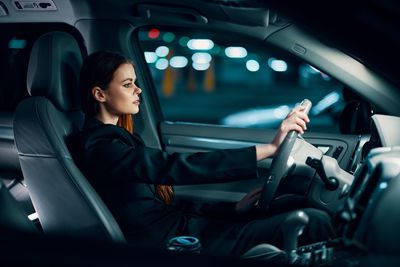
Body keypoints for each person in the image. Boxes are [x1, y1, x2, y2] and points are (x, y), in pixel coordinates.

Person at [68, 50, 335, 257]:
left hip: (180, 228)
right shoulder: (100, 147)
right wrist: (269, 149)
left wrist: (233, 208)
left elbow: (165, 205)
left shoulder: (120, 138)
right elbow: (173, 166)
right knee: (313, 222)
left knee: (296, 205)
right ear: (99, 94)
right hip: (169, 242)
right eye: (127, 84)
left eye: (136, 83)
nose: (138, 90)